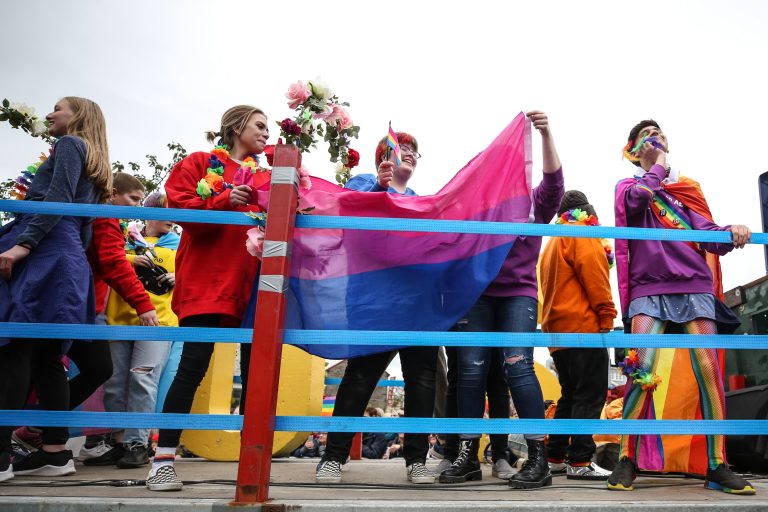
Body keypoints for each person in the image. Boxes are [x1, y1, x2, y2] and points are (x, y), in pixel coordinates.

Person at [608, 120, 755, 495]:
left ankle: (717, 465)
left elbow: (709, 236)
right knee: (640, 370)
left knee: (709, 370)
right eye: (645, 136)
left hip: (694, 289)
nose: (654, 138)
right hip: (649, 291)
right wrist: (656, 165)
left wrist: (732, 232)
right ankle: (627, 459)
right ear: (633, 151)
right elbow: (638, 200)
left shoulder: (686, 189)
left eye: (658, 133)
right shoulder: (628, 186)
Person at [145, 105, 270, 492]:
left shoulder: (266, 176)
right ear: (235, 128)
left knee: (259, 374)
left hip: (256, 287)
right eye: (259, 125)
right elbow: (187, 215)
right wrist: (226, 200)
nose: (266, 133)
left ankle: (254, 466)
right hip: (208, 283)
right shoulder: (199, 163)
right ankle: (162, 461)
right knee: (192, 369)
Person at [441, 111, 563, 489]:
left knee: (518, 366)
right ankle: (467, 456)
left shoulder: (535, 203)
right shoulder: (481, 204)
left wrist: (545, 134)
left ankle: (538, 457)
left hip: (518, 295)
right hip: (477, 296)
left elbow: (555, 184)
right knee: (471, 371)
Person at [314, 133, 438, 485]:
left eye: (416, 152)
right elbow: (344, 211)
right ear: (385, 157)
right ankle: (333, 456)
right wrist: (379, 191)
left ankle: (416, 460)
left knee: (423, 379)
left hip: (415, 303)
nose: (411, 155)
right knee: (360, 377)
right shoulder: (363, 184)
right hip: (373, 302)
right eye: (404, 150)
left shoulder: (421, 201)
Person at [0, 97, 112, 480]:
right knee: (46, 356)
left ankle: (0, 458)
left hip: (45, 249)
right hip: (66, 257)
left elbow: (57, 200)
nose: (50, 114)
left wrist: (24, 244)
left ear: (77, 116)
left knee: (17, 347)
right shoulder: (96, 160)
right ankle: (54, 451)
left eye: (58, 108)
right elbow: (82, 228)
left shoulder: (68, 145)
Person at [12, 172, 161, 459]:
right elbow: (113, 263)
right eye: (132, 199)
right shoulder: (102, 216)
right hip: (73, 306)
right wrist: (143, 303)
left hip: (77, 306)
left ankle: (39, 434)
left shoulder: (101, 217)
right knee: (46, 366)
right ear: (112, 193)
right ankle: (41, 439)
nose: (135, 207)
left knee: (74, 367)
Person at [85, 191, 178, 469]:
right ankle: (119, 441)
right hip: (118, 318)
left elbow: (200, 272)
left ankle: (138, 444)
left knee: (143, 380)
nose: (170, 218)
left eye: (174, 213)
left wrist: (180, 276)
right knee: (113, 385)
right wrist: (130, 260)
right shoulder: (123, 237)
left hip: (158, 321)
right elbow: (104, 261)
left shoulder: (181, 245)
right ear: (149, 212)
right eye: (163, 211)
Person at [539, 190, 617, 480]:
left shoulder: (553, 241)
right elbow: (595, 275)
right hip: (583, 328)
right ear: (587, 213)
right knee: (590, 394)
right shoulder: (582, 234)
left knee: (570, 396)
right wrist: (607, 314)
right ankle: (581, 461)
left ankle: (557, 456)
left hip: (557, 333)